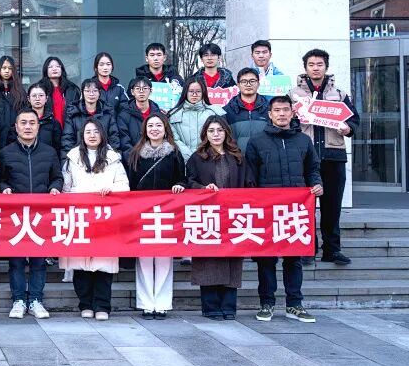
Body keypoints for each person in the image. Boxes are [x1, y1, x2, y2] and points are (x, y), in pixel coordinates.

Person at [245, 95, 324, 323]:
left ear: (292, 113)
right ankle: (266, 303)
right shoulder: (257, 141)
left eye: (285, 110)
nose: (281, 114)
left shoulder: (303, 141)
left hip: (295, 210)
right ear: (269, 114)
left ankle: (294, 304)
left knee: (293, 258)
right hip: (267, 210)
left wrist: (317, 184)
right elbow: (250, 176)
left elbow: (313, 169)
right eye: (277, 110)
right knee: (266, 259)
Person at [289, 48, 360, 265]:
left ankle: (332, 250)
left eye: (319, 64)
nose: (315, 68)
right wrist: (294, 119)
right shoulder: (293, 95)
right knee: (306, 207)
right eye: (311, 65)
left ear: (326, 67)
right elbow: (285, 122)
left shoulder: (339, 94)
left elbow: (354, 120)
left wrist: (348, 128)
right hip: (304, 159)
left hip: (333, 157)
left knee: (332, 207)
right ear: (305, 68)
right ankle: (307, 250)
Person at [59, 119, 130, 321]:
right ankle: (85, 304)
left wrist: (111, 190)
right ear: (82, 135)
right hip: (80, 216)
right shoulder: (72, 158)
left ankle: (102, 305)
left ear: (102, 135)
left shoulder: (113, 158)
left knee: (103, 264)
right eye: (88, 132)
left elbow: (124, 186)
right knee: (80, 264)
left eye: (96, 132)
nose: (92, 135)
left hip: (104, 217)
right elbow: (65, 188)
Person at [186, 116, 252, 320]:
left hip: (233, 215)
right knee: (208, 261)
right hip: (208, 215)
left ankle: (229, 306)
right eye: (211, 131)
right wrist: (203, 188)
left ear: (226, 133)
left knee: (232, 260)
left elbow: (249, 183)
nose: (216, 134)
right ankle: (210, 306)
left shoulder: (238, 157)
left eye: (219, 130)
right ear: (205, 134)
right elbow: (189, 182)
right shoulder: (197, 158)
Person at [0, 107, 63, 319]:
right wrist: (4, 188)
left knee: (38, 261)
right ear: (16, 127)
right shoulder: (6, 153)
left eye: (32, 123)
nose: (28, 127)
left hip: (41, 215)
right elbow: (0, 179)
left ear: (38, 127)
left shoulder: (49, 152)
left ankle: (36, 299)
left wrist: (54, 188)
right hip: (15, 216)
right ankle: (18, 300)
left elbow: (57, 177)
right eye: (23, 123)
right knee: (16, 260)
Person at [125, 112, 186, 319]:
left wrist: (179, 185)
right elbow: (130, 185)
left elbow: (182, 178)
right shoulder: (135, 154)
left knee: (164, 258)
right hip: (141, 213)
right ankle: (145, 303)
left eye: (159, 125)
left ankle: (162, 304)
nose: (154, 129)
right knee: (143, 259)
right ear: (145, 130)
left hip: (166, 213)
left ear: (165, 128)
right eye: (150, 126)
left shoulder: (174, 153)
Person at [169, 76, 223, 161]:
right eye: (191, 91)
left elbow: (221, 137)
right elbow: (174, 139)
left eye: (198, 91)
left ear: (203, 92)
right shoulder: (173, 115)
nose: (194, 95)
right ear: (185, 92)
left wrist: (205, 155)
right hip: (182, 161)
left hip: (210, 160)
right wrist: (189, 157)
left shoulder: (215, 112)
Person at [63, 78, 121, 152]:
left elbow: (114, 137)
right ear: (82, 93)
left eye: (95, 91)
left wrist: (115, 155)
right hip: (79, 155)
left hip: (104, 154)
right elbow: (67, 139)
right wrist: (69, 158)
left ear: (99, 93)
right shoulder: (73, 112)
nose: (91, 94)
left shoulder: (108, 112)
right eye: (87, 91)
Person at [223, 67, 269, 154]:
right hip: (237, 159)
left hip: (264, 159)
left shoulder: (269, 109)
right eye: (244, 81)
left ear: (258, 84)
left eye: (252, 81)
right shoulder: (227, 111)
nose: (248, 84)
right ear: (238, 85)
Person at [117, 76, 161, 152]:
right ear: (132, 92)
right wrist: (135, 157)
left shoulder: (158, 114)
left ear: (151, 91)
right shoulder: (124, 115)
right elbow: (125, 143)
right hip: (133, 156)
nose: (141, 91)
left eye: (145, 88)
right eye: (137, 88)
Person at [36, 56, 81, 126]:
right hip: (48, 128)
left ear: (61, 69)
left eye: (57, 66)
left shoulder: (72, 89)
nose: (54, 69)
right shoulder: (40, 89)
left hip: (68, 128)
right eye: (50, 67)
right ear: (46, 70)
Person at [0, 55, 26, 136]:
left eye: (10, 68)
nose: (7, 71)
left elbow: (24, 111)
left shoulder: (19, 90)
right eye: (4, 68)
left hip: (15, 133)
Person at [24, 83, 63, 154]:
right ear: (29, 99)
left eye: (41, 95)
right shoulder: (22, 121)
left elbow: (58, 148)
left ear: (46, 98)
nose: (37, 99)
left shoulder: (54, 123)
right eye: (34, 96)